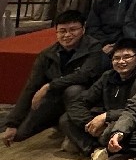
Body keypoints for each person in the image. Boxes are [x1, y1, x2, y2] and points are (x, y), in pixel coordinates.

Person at [1, 10, 103, 147]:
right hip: (56, 99)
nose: (67, 35)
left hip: (87, 101)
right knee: (19, 134)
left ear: (83, 29)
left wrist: (49, 85)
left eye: (73, 30)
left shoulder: (94, 47)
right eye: (62, 31)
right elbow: (31, 87)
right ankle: (59, 126)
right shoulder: (47, 54)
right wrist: (12, 123)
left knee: (73, 90)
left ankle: (82, 133)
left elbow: (84, 75)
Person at [61, 37, 136, 160]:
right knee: (65, 119)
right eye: (116, 58)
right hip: (107, 120)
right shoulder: (108, 76)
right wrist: (90, 123)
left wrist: (106, 117)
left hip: (133, 121)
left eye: (127, 57)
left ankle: (89, 145)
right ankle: (95, 150)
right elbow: (81, 100)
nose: (121, 61)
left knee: (111, 132)